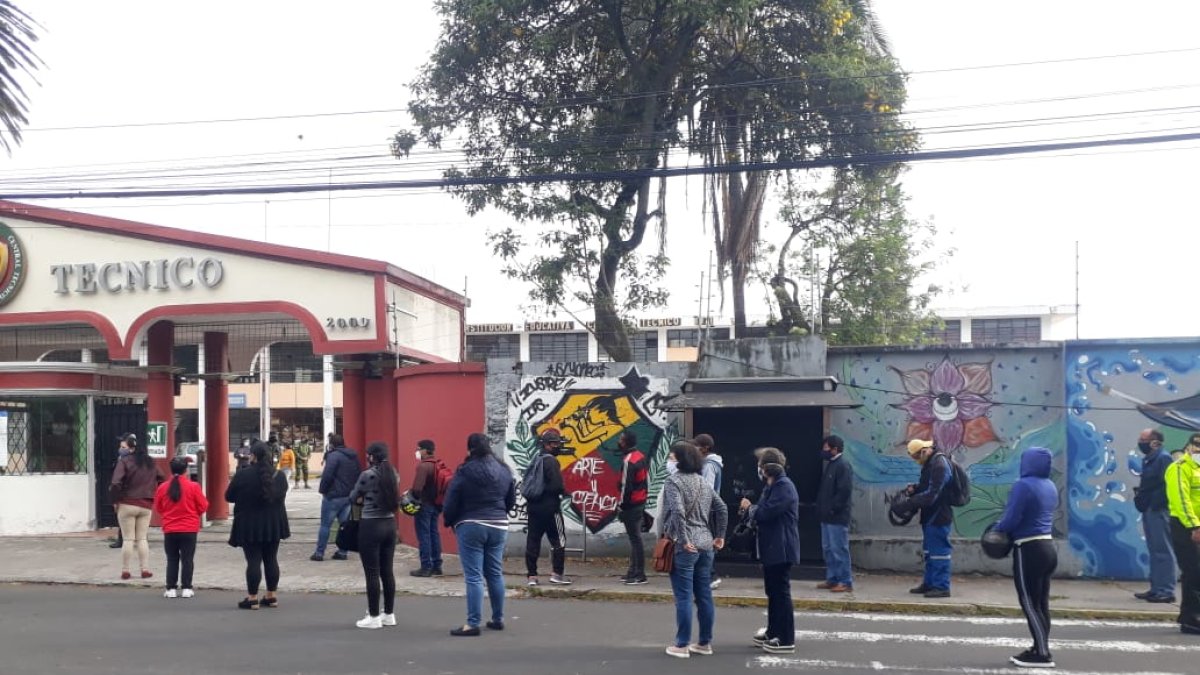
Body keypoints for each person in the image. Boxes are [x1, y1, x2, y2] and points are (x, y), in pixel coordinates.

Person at [442, 433, 516, 636]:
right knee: (494, 572)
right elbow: (511, 499)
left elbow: (451, 498)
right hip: (499, 524)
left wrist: (449, 520)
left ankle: (473, 623)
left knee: (474, 576)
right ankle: (497, 618)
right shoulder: (503, 469)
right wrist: (501, 513)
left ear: (469, 449)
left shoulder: (465, 470)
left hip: (472, 523)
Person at [992, 447, 1059, 669]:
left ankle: (1042, 654)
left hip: (1028, 548)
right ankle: (1039, 646)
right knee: (1041, 603)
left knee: (1029, 602)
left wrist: (997, 528)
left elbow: (1011, 519)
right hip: (1048, 546)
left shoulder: (1023, 485)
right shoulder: (1049, 485)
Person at [661, 441, 728, 659]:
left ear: (680, 460)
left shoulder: (674, 481)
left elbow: (678, 512)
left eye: (672, 456)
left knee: (683, 597)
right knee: (704, 595)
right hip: (706, 543)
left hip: (685, 545)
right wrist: (720, 535)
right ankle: (704, 642)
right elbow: (722, 507)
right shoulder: (702, 482)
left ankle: (681, 644)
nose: (670, 459)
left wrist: (683, 538)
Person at [740, 452, 800, 655]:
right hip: (771, 546)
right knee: (773, 592)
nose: (758, 469)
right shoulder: (771, 486)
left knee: (781, 592)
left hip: (781, 547)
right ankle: (773, 631)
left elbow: (766, 512)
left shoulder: (784, 487)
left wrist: (751, 508)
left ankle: (786, 638)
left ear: (766, 468)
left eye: (760, 465)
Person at [226, 442, 290, 609]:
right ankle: (271, 596)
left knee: (253, 560)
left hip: (249, 523)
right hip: (273, 523)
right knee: (271, 559)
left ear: (252, 456)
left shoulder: (242, 475)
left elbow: (229, 496)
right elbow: (281, 496)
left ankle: (252, 597)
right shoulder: (280, 475)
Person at [350, 442, 401, 629]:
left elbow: (354, 497)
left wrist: (362, 498)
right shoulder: (393, 473)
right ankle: (389, 614)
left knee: (372, 572)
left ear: (372, 456)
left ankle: (373, 616)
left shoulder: (368, 474)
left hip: (371, 524)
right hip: (389, 523)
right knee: (387, 571)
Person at [900, 438, 955, 598]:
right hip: (930, 514)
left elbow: (933, 494)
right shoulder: (931, 464)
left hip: (938, 515)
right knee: (929, 551)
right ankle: (930, 583)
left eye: (917, 457)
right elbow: (928, 487)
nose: (916, 461)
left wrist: (909, 503)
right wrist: (915, 489)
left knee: (939, 552)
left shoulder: (939, 464)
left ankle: (941, 586)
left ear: (924, 451)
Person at [110, 434, 164, 580]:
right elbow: (162, 477)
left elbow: (115, 483)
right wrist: (152, 490)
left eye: (123, 447)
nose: (120, 450)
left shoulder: (124, 462)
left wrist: (115, 500)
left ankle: (126, 571)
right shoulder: (150, 462)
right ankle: (145, 570)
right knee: (142, 539)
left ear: (132, 448)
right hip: (146, 505)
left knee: (128, 540)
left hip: (127, 503)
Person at [154, 456, 210, 598]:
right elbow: (204, 506)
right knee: (187, 558)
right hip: (189, 528)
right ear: (186, 470)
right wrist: (193, 514)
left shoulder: (162, 487)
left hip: (170, 528)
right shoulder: (193, 486)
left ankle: (171, 588)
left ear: (171, 470)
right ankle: (186, 588)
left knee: (172, 559)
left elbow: (159, 508)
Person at [1133, 428, 1177, 603]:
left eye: (1143, 439)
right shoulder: (1150, 459)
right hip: (1150, 509)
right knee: (1154, 550)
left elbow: (1168, 484)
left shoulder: (1163, 458)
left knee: (1163, 550)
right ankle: (1156, 588)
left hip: (1159, 510)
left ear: (1154, 442)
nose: (1140, 442)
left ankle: (1166, 590)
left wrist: (1157, 503)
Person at [525, 428, 570, 586]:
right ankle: (557, 574)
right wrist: (565, 492)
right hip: (551, 509)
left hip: (533, 508)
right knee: (559, 540)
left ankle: (532, 576)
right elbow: (556, 485)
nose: (558, 446)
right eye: (555, 443)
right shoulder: (551, 461)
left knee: (533, 541)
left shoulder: (536, 459)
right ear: (548, 445)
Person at [1165, 433, 1200, 635]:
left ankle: (1189, 614)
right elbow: (1181, 499)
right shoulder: (1178, 468)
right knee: (1193, 571)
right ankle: (1190, 619)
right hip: (1185, 526)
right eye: (1196, 446)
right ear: (1188, 447)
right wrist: (1194, 527)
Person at [311, 433, 361, 562]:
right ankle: (343, 551)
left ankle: (319, 552)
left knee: (325, 525)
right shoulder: (353, 456)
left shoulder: (333, 456)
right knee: (344, 524)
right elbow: (358, 473)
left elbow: (327, 475)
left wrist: (322, 490)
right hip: (348, 496)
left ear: (332, 444)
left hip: (333, 496)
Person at [816, 435, 854, 593]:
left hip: (836, 517)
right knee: (828, 549)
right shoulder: (832, 465)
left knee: (839, 549)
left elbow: (844, 491)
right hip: (827, 516)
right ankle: (832, 579)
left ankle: (845, 581)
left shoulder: (842, 466)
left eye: (826, 448)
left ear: (834, 449)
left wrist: (833, 508)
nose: (823, 451)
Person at [616, 430, 649, 585]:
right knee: (635, 538)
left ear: (626, 442)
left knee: (635, 539)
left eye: (621, 440)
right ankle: (633, 572)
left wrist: (621, 505)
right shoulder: (640, 456)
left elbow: (625, 487)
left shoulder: (629, 460)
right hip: (640, 502)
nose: (619, 442)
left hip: (631, 505)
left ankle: (639, 574)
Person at [410, 439, 445, 577]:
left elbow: (417, 488)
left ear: (425, 450)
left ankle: (425, 566)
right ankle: (437, 565)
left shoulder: (423, 467)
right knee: (434, 534)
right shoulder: (437, 465)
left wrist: (411, 496)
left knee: (424, 535)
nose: (417, 451)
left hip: (424, 505)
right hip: (436, 505)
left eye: (418, 448)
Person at [694, 433, 724, 590]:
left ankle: (711, 576)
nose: (694, 449)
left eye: (697, 446)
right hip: (709, 508)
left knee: (706, 544)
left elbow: (707, 489)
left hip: (707, 509)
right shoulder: (711, 463)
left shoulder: (709, 466)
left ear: (705, 448)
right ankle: (709, 575)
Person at [108, 433, 136, 549]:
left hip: (130, 492)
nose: (120, 449)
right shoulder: (121, 458)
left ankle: (128, 540)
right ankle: (121, 539)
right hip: (122, 492)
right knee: (121, 518)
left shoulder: (134, 460)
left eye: (123, 447)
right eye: (120, 447)